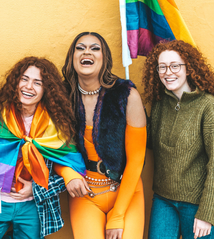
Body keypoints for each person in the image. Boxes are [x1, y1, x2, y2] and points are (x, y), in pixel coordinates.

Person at [0, 57, 86, 239]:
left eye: (37, 83)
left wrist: (36, 189)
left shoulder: (56, 126)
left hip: (32, 206)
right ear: (16, 83)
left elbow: (69, 168)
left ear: (46, 90)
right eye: (24, 79)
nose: (29, 87)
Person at [57, 32, 147, 239]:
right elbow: (52, 150)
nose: (87, 51)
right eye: (80, 47)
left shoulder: (126, 95)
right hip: (85, 193)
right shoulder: (60, 97)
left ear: (104, 58)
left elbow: (136, 160)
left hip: (126, 190)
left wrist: (118, 215)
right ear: (72, 57)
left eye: (95, 48)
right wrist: (67, 173)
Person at [142, 40, 214, 239]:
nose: (167, 72)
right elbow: (151, 143)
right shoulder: (159, 103)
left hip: (198, 203)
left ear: (189, 68)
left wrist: (207, 212)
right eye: (162, 67)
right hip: (164, 200)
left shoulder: (209, 106)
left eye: (175, 66)